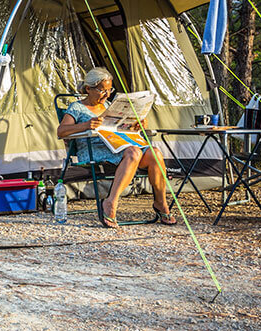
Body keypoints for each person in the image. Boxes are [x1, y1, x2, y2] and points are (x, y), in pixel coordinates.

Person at [56, 67, 176, 228]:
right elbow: (61, 131)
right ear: (88, 89)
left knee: (155, 153)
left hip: (118, 145)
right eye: (101, 90)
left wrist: (135, 125)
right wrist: (86, 125)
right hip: (94, 149)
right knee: (133, 152)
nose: (106, 94)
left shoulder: (109, 105)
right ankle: (111, 202)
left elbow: (118, 129)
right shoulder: (76, 108)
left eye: (109, 90)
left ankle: (160, 202)